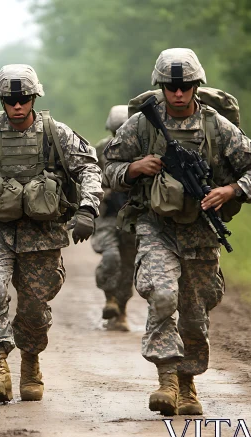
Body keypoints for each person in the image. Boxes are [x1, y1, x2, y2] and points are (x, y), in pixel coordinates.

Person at [104, 48, 251, 415]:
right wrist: (134, 169)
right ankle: (166, 380)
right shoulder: (141, 126)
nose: (178, 94)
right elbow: (108, 169)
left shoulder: (217, 127)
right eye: (171, 87)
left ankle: (187, 382)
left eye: (186, 87)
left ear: (196, 86)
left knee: (195, 314)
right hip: (156, 226)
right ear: (161, 87)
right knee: (162, 295)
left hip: (201, 231)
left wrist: (231, 190)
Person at [0, 64, 103, 402]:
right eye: (10, 99)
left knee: (34, 308)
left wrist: (88, 207)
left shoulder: (55, 133)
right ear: (1, 100)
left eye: (23, 99)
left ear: (33, 98)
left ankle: (30, 362)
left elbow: (89, 167)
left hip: (43, 233)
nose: (17, 106)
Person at [92, 105, 136, 331]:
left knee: (129, 266)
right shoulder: (100, 150)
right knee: (111, 257)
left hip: (133, 217)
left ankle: (122, 309)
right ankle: (110, 298)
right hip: (108, 215)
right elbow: (90, 179)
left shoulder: (142, 150)